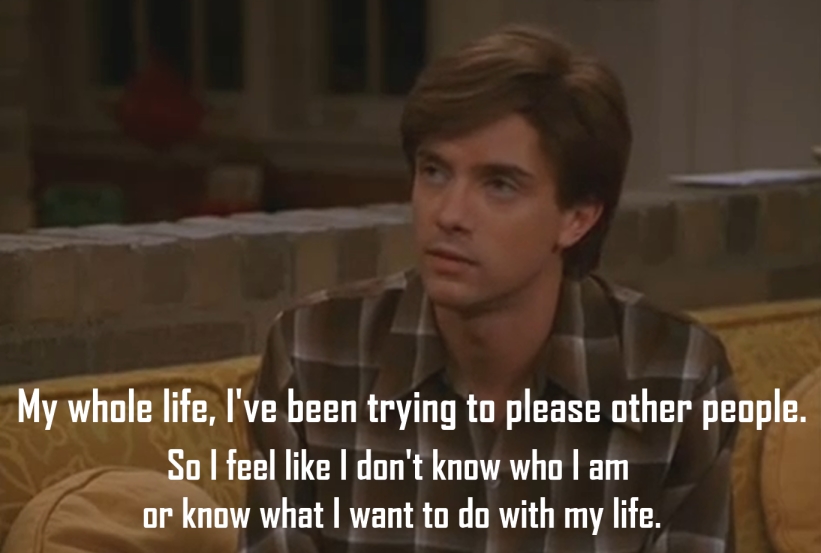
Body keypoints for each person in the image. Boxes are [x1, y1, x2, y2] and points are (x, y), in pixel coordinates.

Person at [242, 24, 739, 553]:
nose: (449, 214)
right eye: (435, 172)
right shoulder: (315, 350)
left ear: (577, 218)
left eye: (499, 185)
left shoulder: (676, 374)